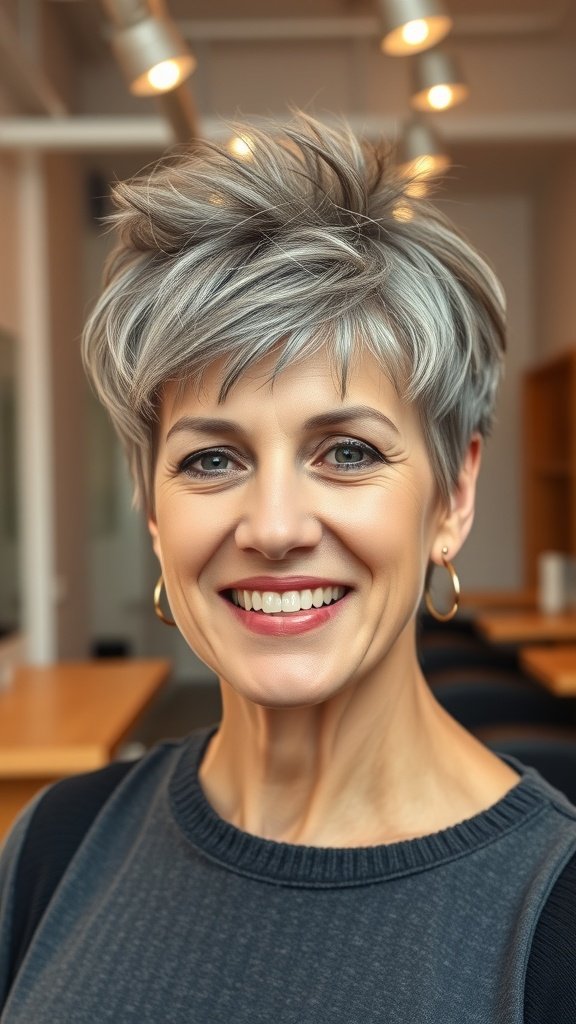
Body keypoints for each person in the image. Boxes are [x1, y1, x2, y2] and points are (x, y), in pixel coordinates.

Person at [1, 114, 575, 1023]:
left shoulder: (556, 921)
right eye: (210, 459)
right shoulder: (56, 846)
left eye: (347, 452)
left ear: (452, 497)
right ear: (152, 509)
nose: (272, 528)